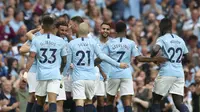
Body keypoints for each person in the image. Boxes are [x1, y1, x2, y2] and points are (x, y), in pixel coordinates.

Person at [64, 22, 128, 112]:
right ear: (88, 31)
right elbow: (102, 57)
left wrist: (63, 74)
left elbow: (67, 62)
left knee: (79, 102)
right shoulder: (93, 42)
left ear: (78, 30)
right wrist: (118, 64)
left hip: (78, 77)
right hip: (91, 77)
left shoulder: (72, 43)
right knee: (89, 101)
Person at [104, 21, 166, 112]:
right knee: (128, 102)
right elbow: (139, 59)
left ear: (115, 31)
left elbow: (102, 57)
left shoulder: (109, 43)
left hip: (113, 74)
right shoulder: (131, 43)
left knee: (109, 101)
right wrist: (153, 59)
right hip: (126, 75)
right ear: (125, 31)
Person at [23, 15, 67, 112]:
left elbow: (31, 57)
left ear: (42, 26)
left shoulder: (36, 40)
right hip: (55, 74)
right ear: (53, 27)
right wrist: (61, 70)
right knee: (52, 101)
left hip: (41, 74)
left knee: (40, 102)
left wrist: (26, 72)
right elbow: (64, 59)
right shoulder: (60, 41)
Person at [150, 18, 190, 112]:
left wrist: (152, 56)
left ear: (162, 27)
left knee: (156, 100)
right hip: (179, 73)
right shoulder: (180, 39)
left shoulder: (162, 39)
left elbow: (155, 49)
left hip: (166, 71)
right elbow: (188, 57)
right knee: (179, 103)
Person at [19, 27, 41, 112]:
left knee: (34, 97)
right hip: (33, 70)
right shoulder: (36, 36)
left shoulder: (55, 36)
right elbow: (22, 49)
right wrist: (37, 46)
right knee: (35, 96)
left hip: (47, 70)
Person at [95, 22, 111, 112]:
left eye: (107, 29)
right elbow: (94, 59)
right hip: (99, 76)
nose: (105, 31)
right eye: (103, 29)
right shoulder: (94, 42)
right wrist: (102, 71)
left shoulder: (113, 43)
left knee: (111, 101)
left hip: (111, 75)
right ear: (99, 30)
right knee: (100, 101)